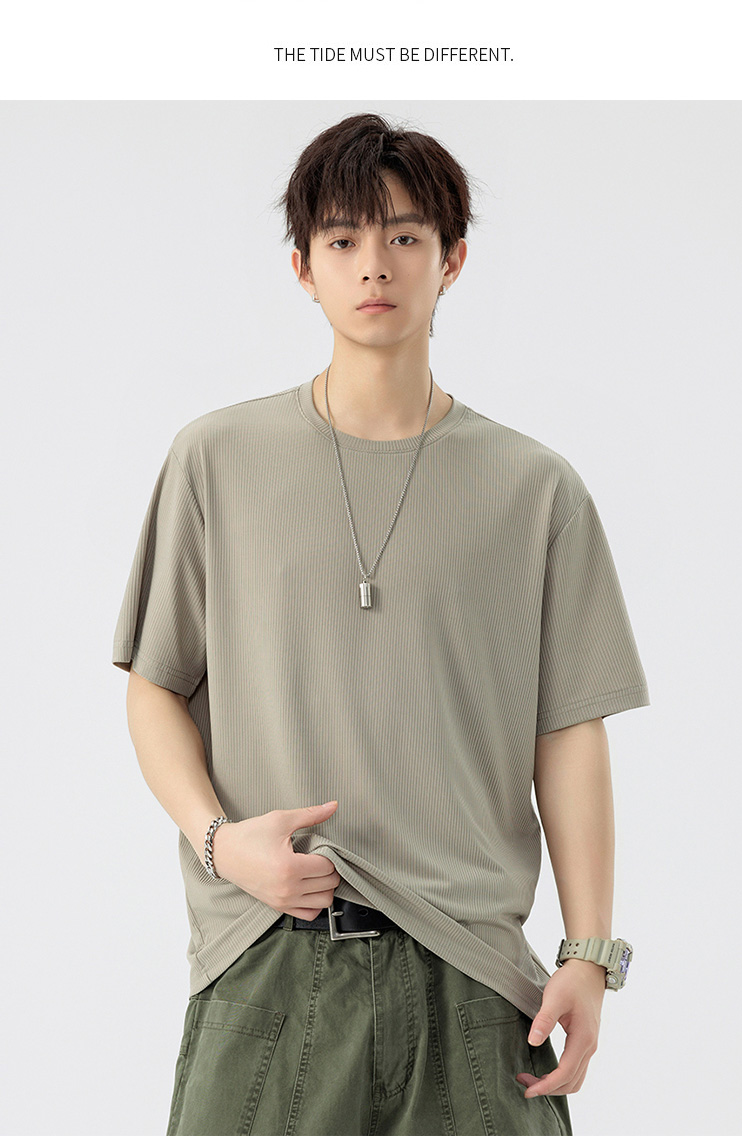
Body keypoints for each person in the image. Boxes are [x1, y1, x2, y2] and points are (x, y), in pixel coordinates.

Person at [112, 112, 650, 1136]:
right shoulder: (216, 459)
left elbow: (569, 730)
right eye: (343, 238)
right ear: (302, 268)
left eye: (405, 236)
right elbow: (154, 685)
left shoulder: (535, 488)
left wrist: (589, 951)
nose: (374, 265)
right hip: (266, 955)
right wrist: (222, 844)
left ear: (452, 261)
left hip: (472, 975)